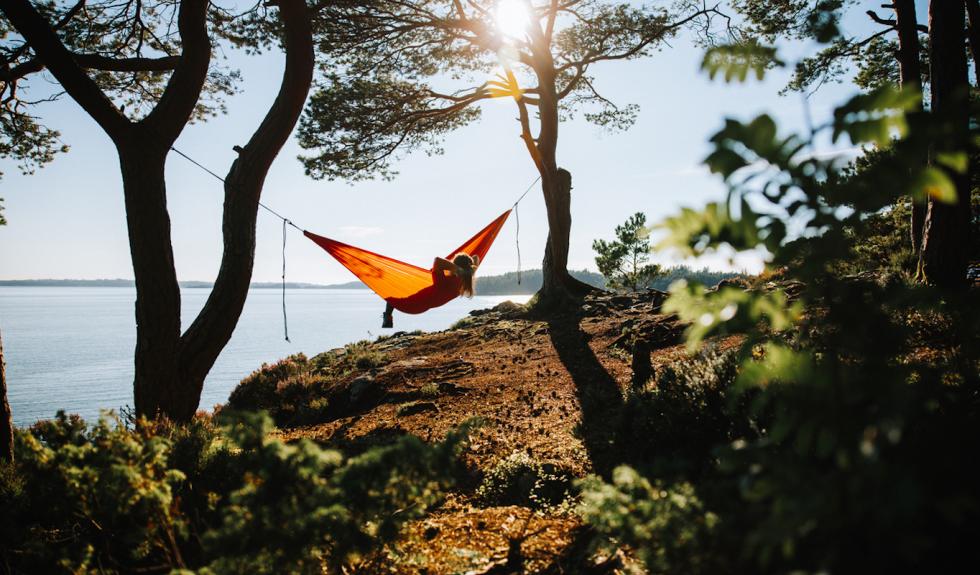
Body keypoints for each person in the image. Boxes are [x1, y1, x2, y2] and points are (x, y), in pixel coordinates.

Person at [382, 253, 480, 328]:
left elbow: (437, 260)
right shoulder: (465, 282)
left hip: (411, 305)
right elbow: (476, 258)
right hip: (422, 306)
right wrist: (465, 269)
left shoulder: (444, 281)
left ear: (455, 266)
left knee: (389, 295)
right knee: (396, 292)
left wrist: (458, 269)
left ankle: (388, 317)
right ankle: (388, 317)